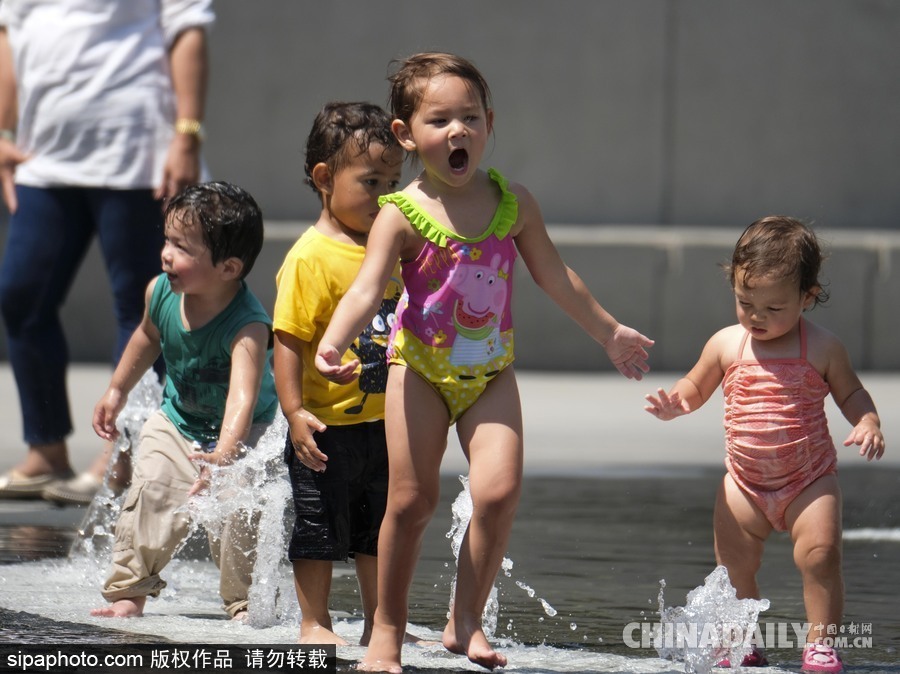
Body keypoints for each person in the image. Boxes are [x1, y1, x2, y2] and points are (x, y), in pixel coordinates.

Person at [315, 52, 654, 673]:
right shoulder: (402, 213)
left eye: (470, 117)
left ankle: (463, 620)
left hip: (490, 374)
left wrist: (608, 333)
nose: (457, 131)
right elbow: (367, 289)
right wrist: (334, 342)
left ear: (489, 122)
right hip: (418, 369)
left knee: (498, 493)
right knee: (411, 502)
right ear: (406, 135)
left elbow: (556, 276)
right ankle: (386, 629)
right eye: (439, 120)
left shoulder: (512, 202)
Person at [644, 216, 884, 673]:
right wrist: (677, 403)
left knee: (821, 557)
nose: (757, 316)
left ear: (807, 297)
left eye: (774, 308)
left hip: (809, 480)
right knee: (734, 569)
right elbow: (695, 386)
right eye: (745, 302)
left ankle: (821, 645)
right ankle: (743, 644)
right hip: (744, 484)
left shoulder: (823, 348)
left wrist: (867, 419)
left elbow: (851, 392)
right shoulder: (726, 344)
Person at [0, 0, 213, 504]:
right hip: (43, 157)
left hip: (136, 155)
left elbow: (188, 32)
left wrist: (186, 134)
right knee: (21, 296)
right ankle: (46, 448)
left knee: (141, 305)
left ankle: (123, 451)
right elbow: (9, 34)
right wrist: (4, 131)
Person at [89, 181, 277, 620]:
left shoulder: (248, 325)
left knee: (238, 508)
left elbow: (241, 400)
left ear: (229, 268)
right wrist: (117, 389)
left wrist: (225, 458)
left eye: (182, 247)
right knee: (150, 490)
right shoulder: (160, 293)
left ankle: (243, 600)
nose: (166, 254)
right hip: (178, 420)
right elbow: (146, 338)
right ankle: (128, 591)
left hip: (245, 434)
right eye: (168, 240)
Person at [273, 102, 404, 645]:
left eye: (395, 181)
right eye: (372, 181)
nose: (387, 195)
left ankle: (381, 620)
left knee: (379, 529)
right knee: (318, 528)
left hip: (385, 422)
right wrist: (293, 411)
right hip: (324, 426)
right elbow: (286, 340)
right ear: (325, 179)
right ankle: (315, 621)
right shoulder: (311, 257)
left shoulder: (390, 247)